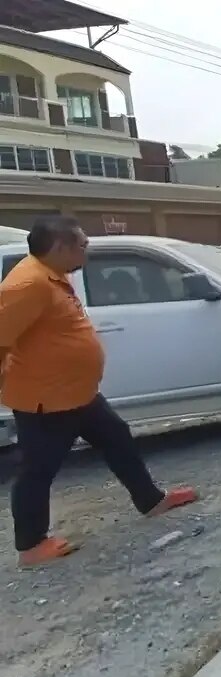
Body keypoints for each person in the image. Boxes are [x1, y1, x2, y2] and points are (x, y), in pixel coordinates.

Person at [0, 216, 197, 566]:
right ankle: (31, 546)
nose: (86, 250)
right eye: (82, 245)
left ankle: (151, 500)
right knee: (37, 470)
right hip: (47, 400)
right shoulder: (28, 284)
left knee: (117, 437)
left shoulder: (52, 276)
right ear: (60, 247)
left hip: (78, 393)